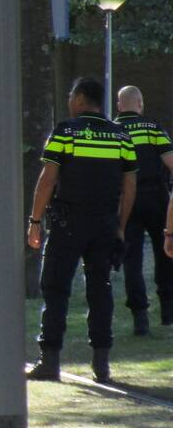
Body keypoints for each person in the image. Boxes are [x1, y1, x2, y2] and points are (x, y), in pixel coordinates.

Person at [26, 78, 136, 383]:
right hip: (104, 223)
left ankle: (50, 361)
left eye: (72, 95)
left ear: (80, 99)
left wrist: (35, 221)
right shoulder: (120, 136)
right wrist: (121, 227)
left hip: (68, 223)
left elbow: (48, 180)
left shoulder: (65, 131)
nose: (69, 100)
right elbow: (130, 186)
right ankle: (102, 364)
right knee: (100, 289)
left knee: (56, 287)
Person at [113, 86, 173, 335]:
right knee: (166, 255)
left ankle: (140, 321)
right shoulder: (152, 128)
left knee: (132, 259)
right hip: (156, 198)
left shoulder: (112, 130)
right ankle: (168, 314)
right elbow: (171, 162)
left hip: (127, 199)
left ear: (119, 105)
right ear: (140, 103)